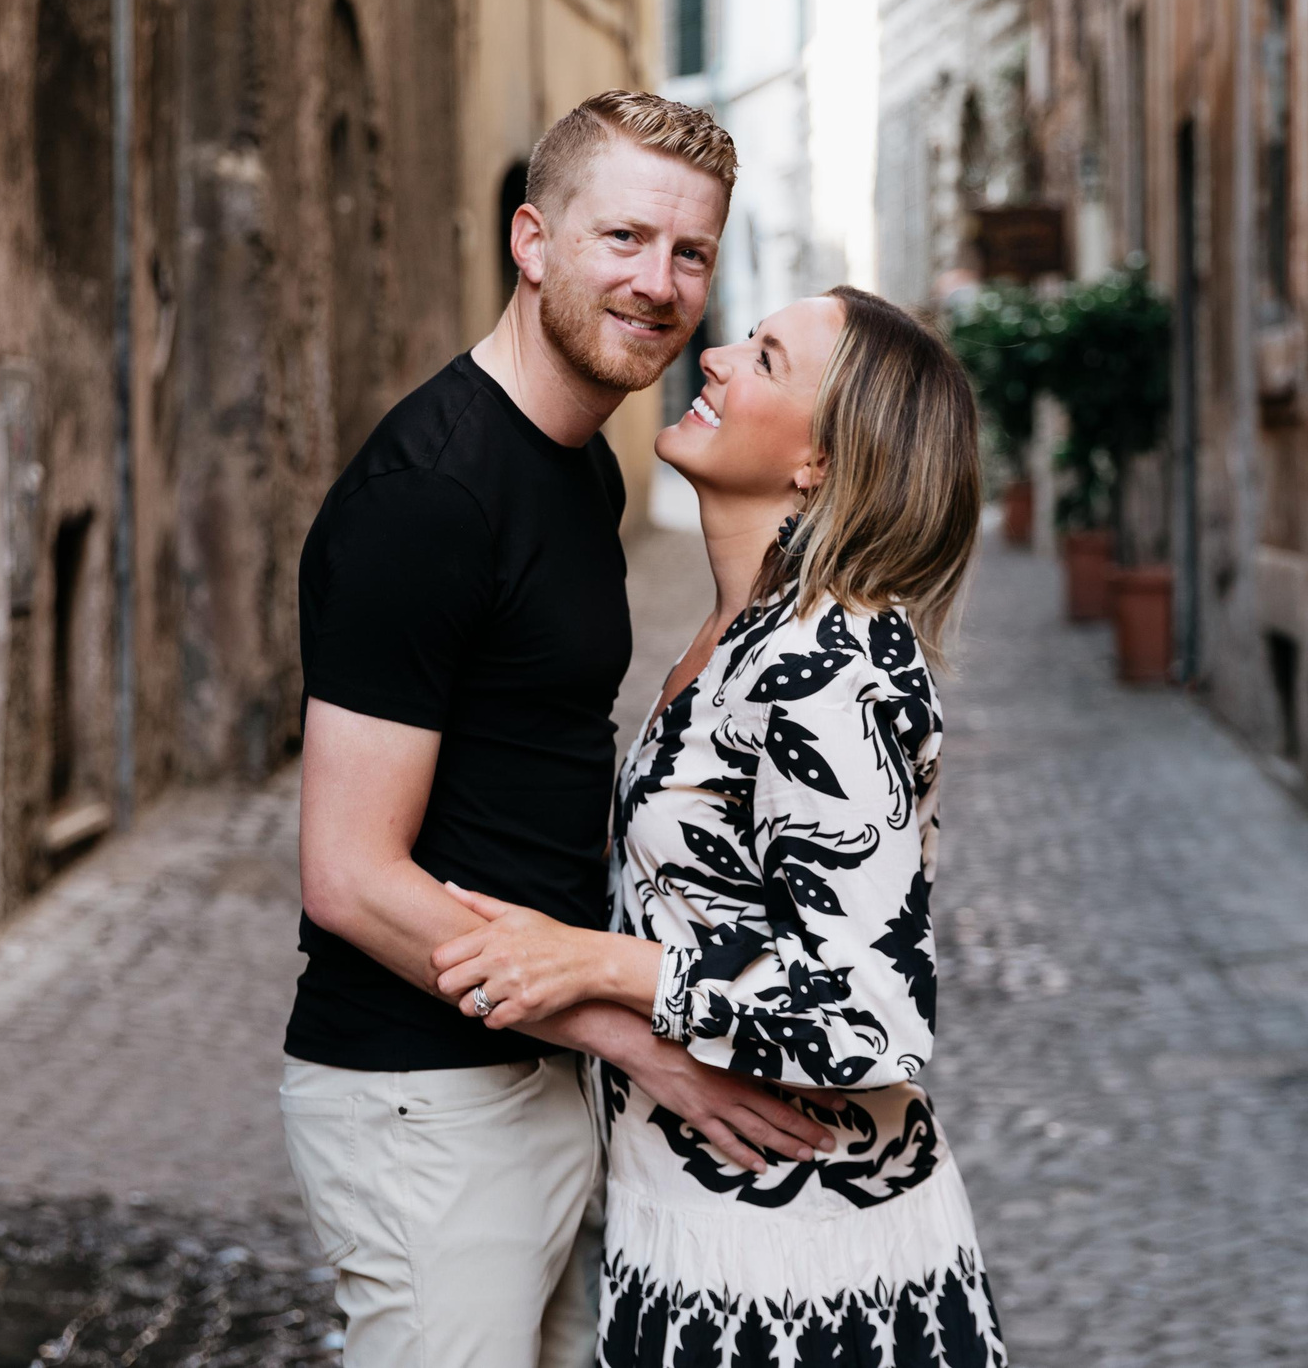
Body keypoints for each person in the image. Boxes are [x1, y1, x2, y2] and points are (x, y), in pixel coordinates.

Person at [282, 91, 846, 1368]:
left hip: (529, 1075)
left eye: (689, 253)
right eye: (623, 240)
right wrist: (649, 1045)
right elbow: (351, 877)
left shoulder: (584, 465)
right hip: (421, 1095)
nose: (658, 283)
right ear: (533, 242)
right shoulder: (429, 497)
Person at [429, 287, 1009, 1367]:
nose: (717, 358)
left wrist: (591, 965)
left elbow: (868, 1017)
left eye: (767, 359)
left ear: (823, 465)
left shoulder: (833, 667)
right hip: (695, 1239)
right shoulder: (740, 635)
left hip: (811, 1278)